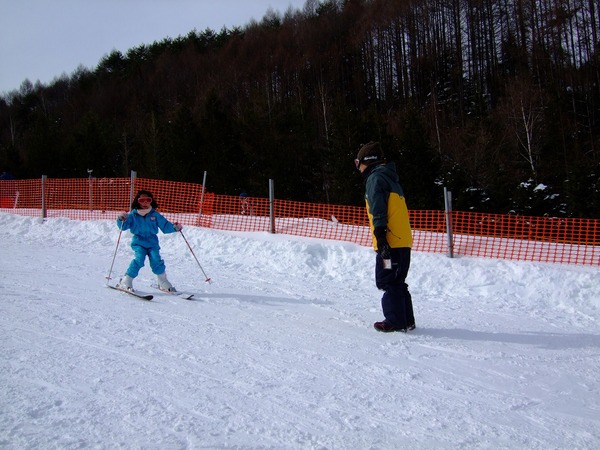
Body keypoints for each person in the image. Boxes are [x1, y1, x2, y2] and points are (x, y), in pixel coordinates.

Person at [355, 141, 415, 332]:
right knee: (397, 280)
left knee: (388, 280)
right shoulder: (390, 177)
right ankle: (407, 320)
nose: (358, 168)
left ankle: (395, 321)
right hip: (402, 241)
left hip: (389, 242)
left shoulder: (375, 179)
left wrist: (380, 236)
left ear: (367, 161)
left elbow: (378, 209)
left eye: (358, 163)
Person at [116, 190, 182, 292]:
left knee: (156, 259)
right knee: (139, 259)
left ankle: (162, 281)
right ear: (138, 201)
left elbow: (165, 225)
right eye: (142, 200)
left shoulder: (154, 214)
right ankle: (126, 280)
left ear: (151, 201)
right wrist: (121, 219)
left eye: (148, 200)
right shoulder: (133, 215)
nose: (145, 202)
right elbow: (123, 227)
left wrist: (174, 227)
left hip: (152, 242)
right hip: (139, 242)